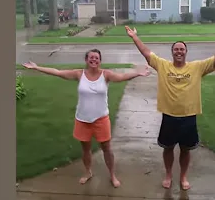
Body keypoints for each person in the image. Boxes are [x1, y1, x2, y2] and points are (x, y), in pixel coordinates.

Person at [125, 26, 215, 190]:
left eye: (181, 49)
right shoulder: (163, 65)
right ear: (172, 52)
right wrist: (134, 37)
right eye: (176, 49)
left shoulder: (197, 67)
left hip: (189, 117)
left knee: (186, 150)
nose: (179, 51)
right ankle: (168, 175)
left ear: (186, 52)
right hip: (169, 116)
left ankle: (183, 177)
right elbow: (146, 53)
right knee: (168, 148)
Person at [22, 49, 150, 188]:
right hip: (82, 119)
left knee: (107, 149)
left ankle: (112, 175)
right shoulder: (79, 74)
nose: (94, 60)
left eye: (96, 58)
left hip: (101, 119)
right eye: (91, 58)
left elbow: (121, 77)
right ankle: (88, 172)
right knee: (85, 149)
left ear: (100, 60)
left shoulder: (106, 75)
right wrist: (37, 67)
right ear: (86, 60)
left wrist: (137, 73)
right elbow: (57, 72)